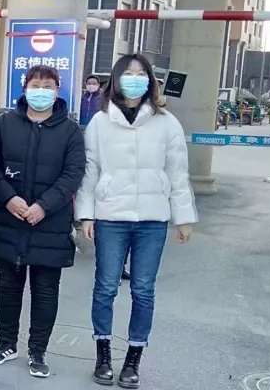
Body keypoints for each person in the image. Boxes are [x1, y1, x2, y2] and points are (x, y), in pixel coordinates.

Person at [76, 53, 197, 388]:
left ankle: (133, 360)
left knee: (143, 290)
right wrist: (86, 213)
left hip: (152, 220)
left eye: (140, 73)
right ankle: (103, 355)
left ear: (150, 80)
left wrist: (183, 217)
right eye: (127, 73)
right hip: (110, 216)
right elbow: (90, 169)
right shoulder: (100, 121)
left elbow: (177, 172)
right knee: (105, 287)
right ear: (116, 80)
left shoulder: (166, 122)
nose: (134, 78)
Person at [0, 65, 86, 379]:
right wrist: (8, 197)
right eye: (35, 84)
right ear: (25, 88)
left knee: (45, 290)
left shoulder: (70, 131)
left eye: (48, 85)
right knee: (8, 287)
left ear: (57, 90)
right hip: (8, 218)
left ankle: (38, 350)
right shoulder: (5, 124)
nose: (41, 91)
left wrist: (44, 205)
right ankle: (6, 343)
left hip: (49, 223)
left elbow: (73, 174)